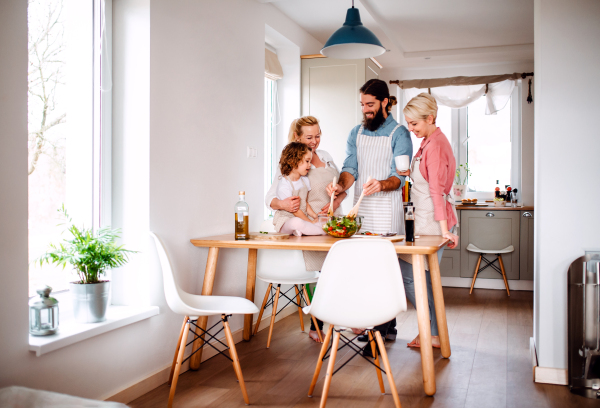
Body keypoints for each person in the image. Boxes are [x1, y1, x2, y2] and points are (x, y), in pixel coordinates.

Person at [326, 79, 412, 355]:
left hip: (387, 208)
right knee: (364, 266)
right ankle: (383, 328)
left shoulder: (400, 133)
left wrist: (382, 184)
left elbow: (400, 176)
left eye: (371, 105)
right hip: (361, 208)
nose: (365, 110)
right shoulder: (357, 132)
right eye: (362, 105)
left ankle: (379, 331)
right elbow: (351, 166)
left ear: (385, 102)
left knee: (385, 268)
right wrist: (341, 185)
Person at [265, 116, 347, 343]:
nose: (315, 141)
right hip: (310, 224)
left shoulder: (327, 158)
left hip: (330, 221)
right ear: (297, 137)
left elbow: (342, 190)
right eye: (309, 137)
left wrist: (336, 198)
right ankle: (317, 324)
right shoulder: (293, 161)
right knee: (317, 273)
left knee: (342, 269)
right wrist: (283, 205)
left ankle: (347, 318)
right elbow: (270, 197)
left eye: (318, 135)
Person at [397, 92, 459, 348]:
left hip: (433, 222)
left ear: (430, 118)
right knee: (422, 278)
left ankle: (431, 332)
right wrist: (408, 172)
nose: (411, 129)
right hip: (424, 219)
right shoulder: (430, 141)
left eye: (414, 124)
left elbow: (437, 190)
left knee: (412, 275)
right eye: (409, 124)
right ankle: (432, 333)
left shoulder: (434, 145)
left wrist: (444, 230)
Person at [272, 142, 324, 236]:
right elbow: (295, 211)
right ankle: (320, 232)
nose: (310, 165)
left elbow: (305, 203)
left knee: (320, 221)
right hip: (286, 221)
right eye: (307, 161)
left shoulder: (305, 180)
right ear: (294, 161)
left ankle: (300, 231)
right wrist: (310, 222)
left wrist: (315, 216)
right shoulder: (284, 185)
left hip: (302, 218)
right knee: (296, 222)